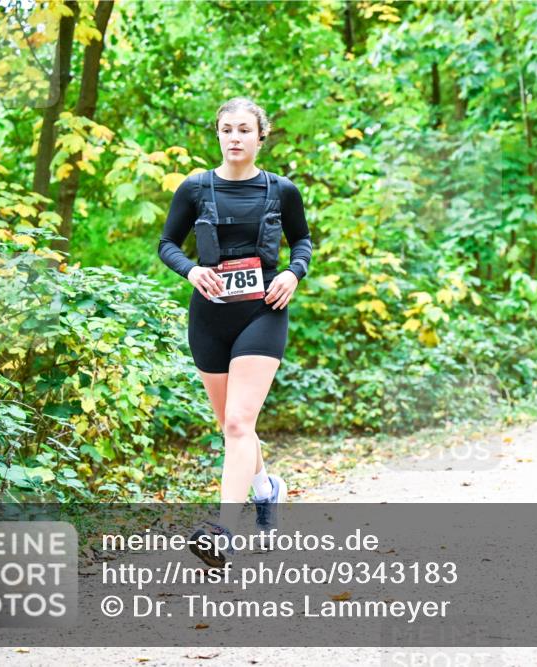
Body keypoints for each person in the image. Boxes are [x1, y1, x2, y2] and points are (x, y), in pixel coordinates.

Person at [157, 97, 312, 566]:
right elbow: (166, 243)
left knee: (240, 423)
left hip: (263, 312)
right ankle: (267, 489)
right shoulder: (195, 188)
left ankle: (223, 530)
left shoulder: (281, 190)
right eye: (227, 130)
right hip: (210, 316)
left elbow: (301, 238)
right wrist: (189, 271)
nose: (235, 138)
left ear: (260, 136)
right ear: (218, 135)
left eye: (244, 129)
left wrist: (293, 272)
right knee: (231, 425)